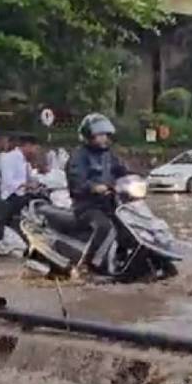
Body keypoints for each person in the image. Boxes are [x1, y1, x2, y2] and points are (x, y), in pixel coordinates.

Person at [66, 113, 128, 272]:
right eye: (99, 135)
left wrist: (136, 178)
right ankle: (86, 265)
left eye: (105, 135)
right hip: (87, 206)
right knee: (105, 227)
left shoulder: (108, 154)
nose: (103, 139)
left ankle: (123, 260)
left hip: (109, 204)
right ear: (88, 136)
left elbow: (122, 170)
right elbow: (77, 182)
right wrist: (94, 187)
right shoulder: (78, 156)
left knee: (129, 225)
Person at [0, 134, 42, 247]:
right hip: (10, 196)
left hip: (21, 194)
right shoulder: (9, 158)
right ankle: (0, 241)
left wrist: (38, 183)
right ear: (27, 146)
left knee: (42, 201)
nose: (35, 151)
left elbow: (31, 177)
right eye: (35, 148)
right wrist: (26, 185)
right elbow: (8, 181)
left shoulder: (25, 161)